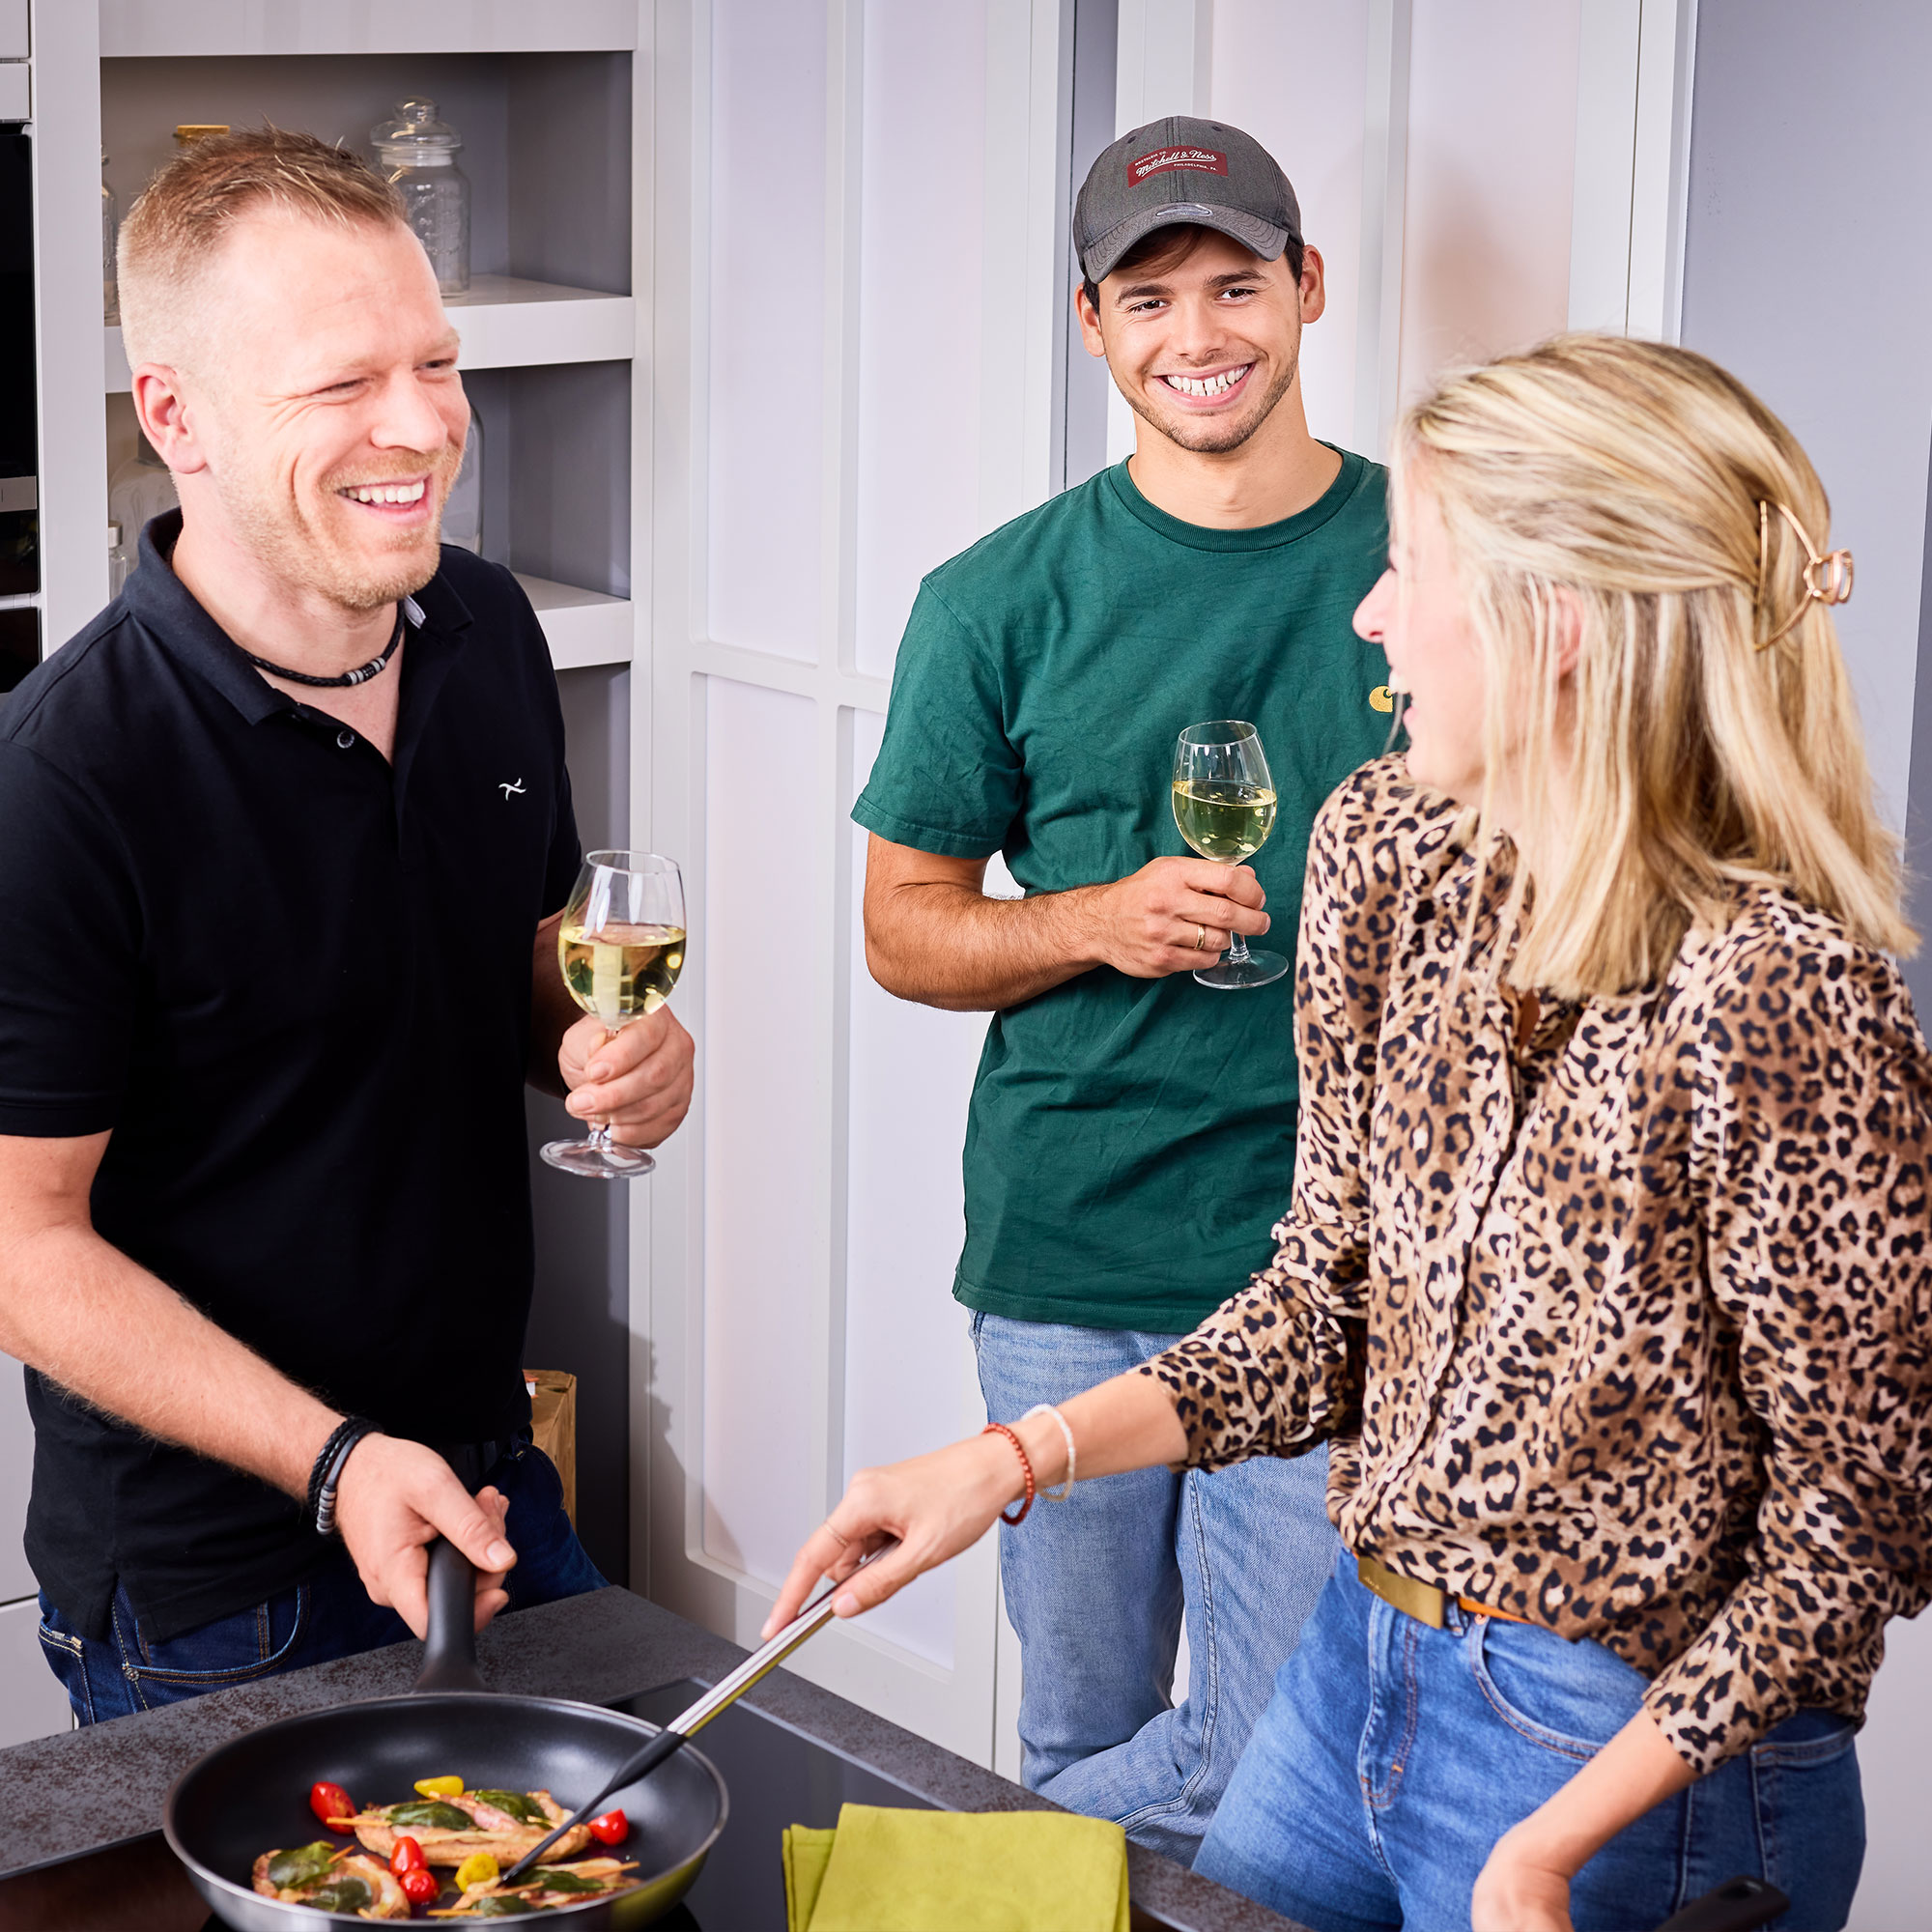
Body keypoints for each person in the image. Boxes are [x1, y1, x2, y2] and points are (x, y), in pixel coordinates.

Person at [772, 333, 1931, 1932]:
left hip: (1627, 1760)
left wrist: (1541, 1848)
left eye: (1406, 572)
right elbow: (1324, 1301)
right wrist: (1010, 1460)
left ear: (1562, 621)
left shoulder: (1782, 996)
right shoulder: (1388, 849)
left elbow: (1859, 1538)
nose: (1371, 618)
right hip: (1359, 1667)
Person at [0, 129, 693, 1723]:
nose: (426, 427)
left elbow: (523, 950)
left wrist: (602, 1043)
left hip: (486, 1479)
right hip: (216, 1587)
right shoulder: (65, 777)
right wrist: (334, 1464)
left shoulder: (486, 631)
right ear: (174, 415)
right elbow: (27, 1245)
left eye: (437, 362)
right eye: (343, 384)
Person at [849, 116, 1394, 1857]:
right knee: (1082, 1724)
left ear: (1308, 289)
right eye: (1148, 297)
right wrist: (1089, 921)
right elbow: (905, 931)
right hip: (1069, 1250)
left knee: (1268, 1763)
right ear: (1093, 325)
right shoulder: (994, 600)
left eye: (1237, 283)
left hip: (1324, 1263)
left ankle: (969, 1885)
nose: (1199, 334)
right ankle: (1016, 1879)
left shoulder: (1429, 567)